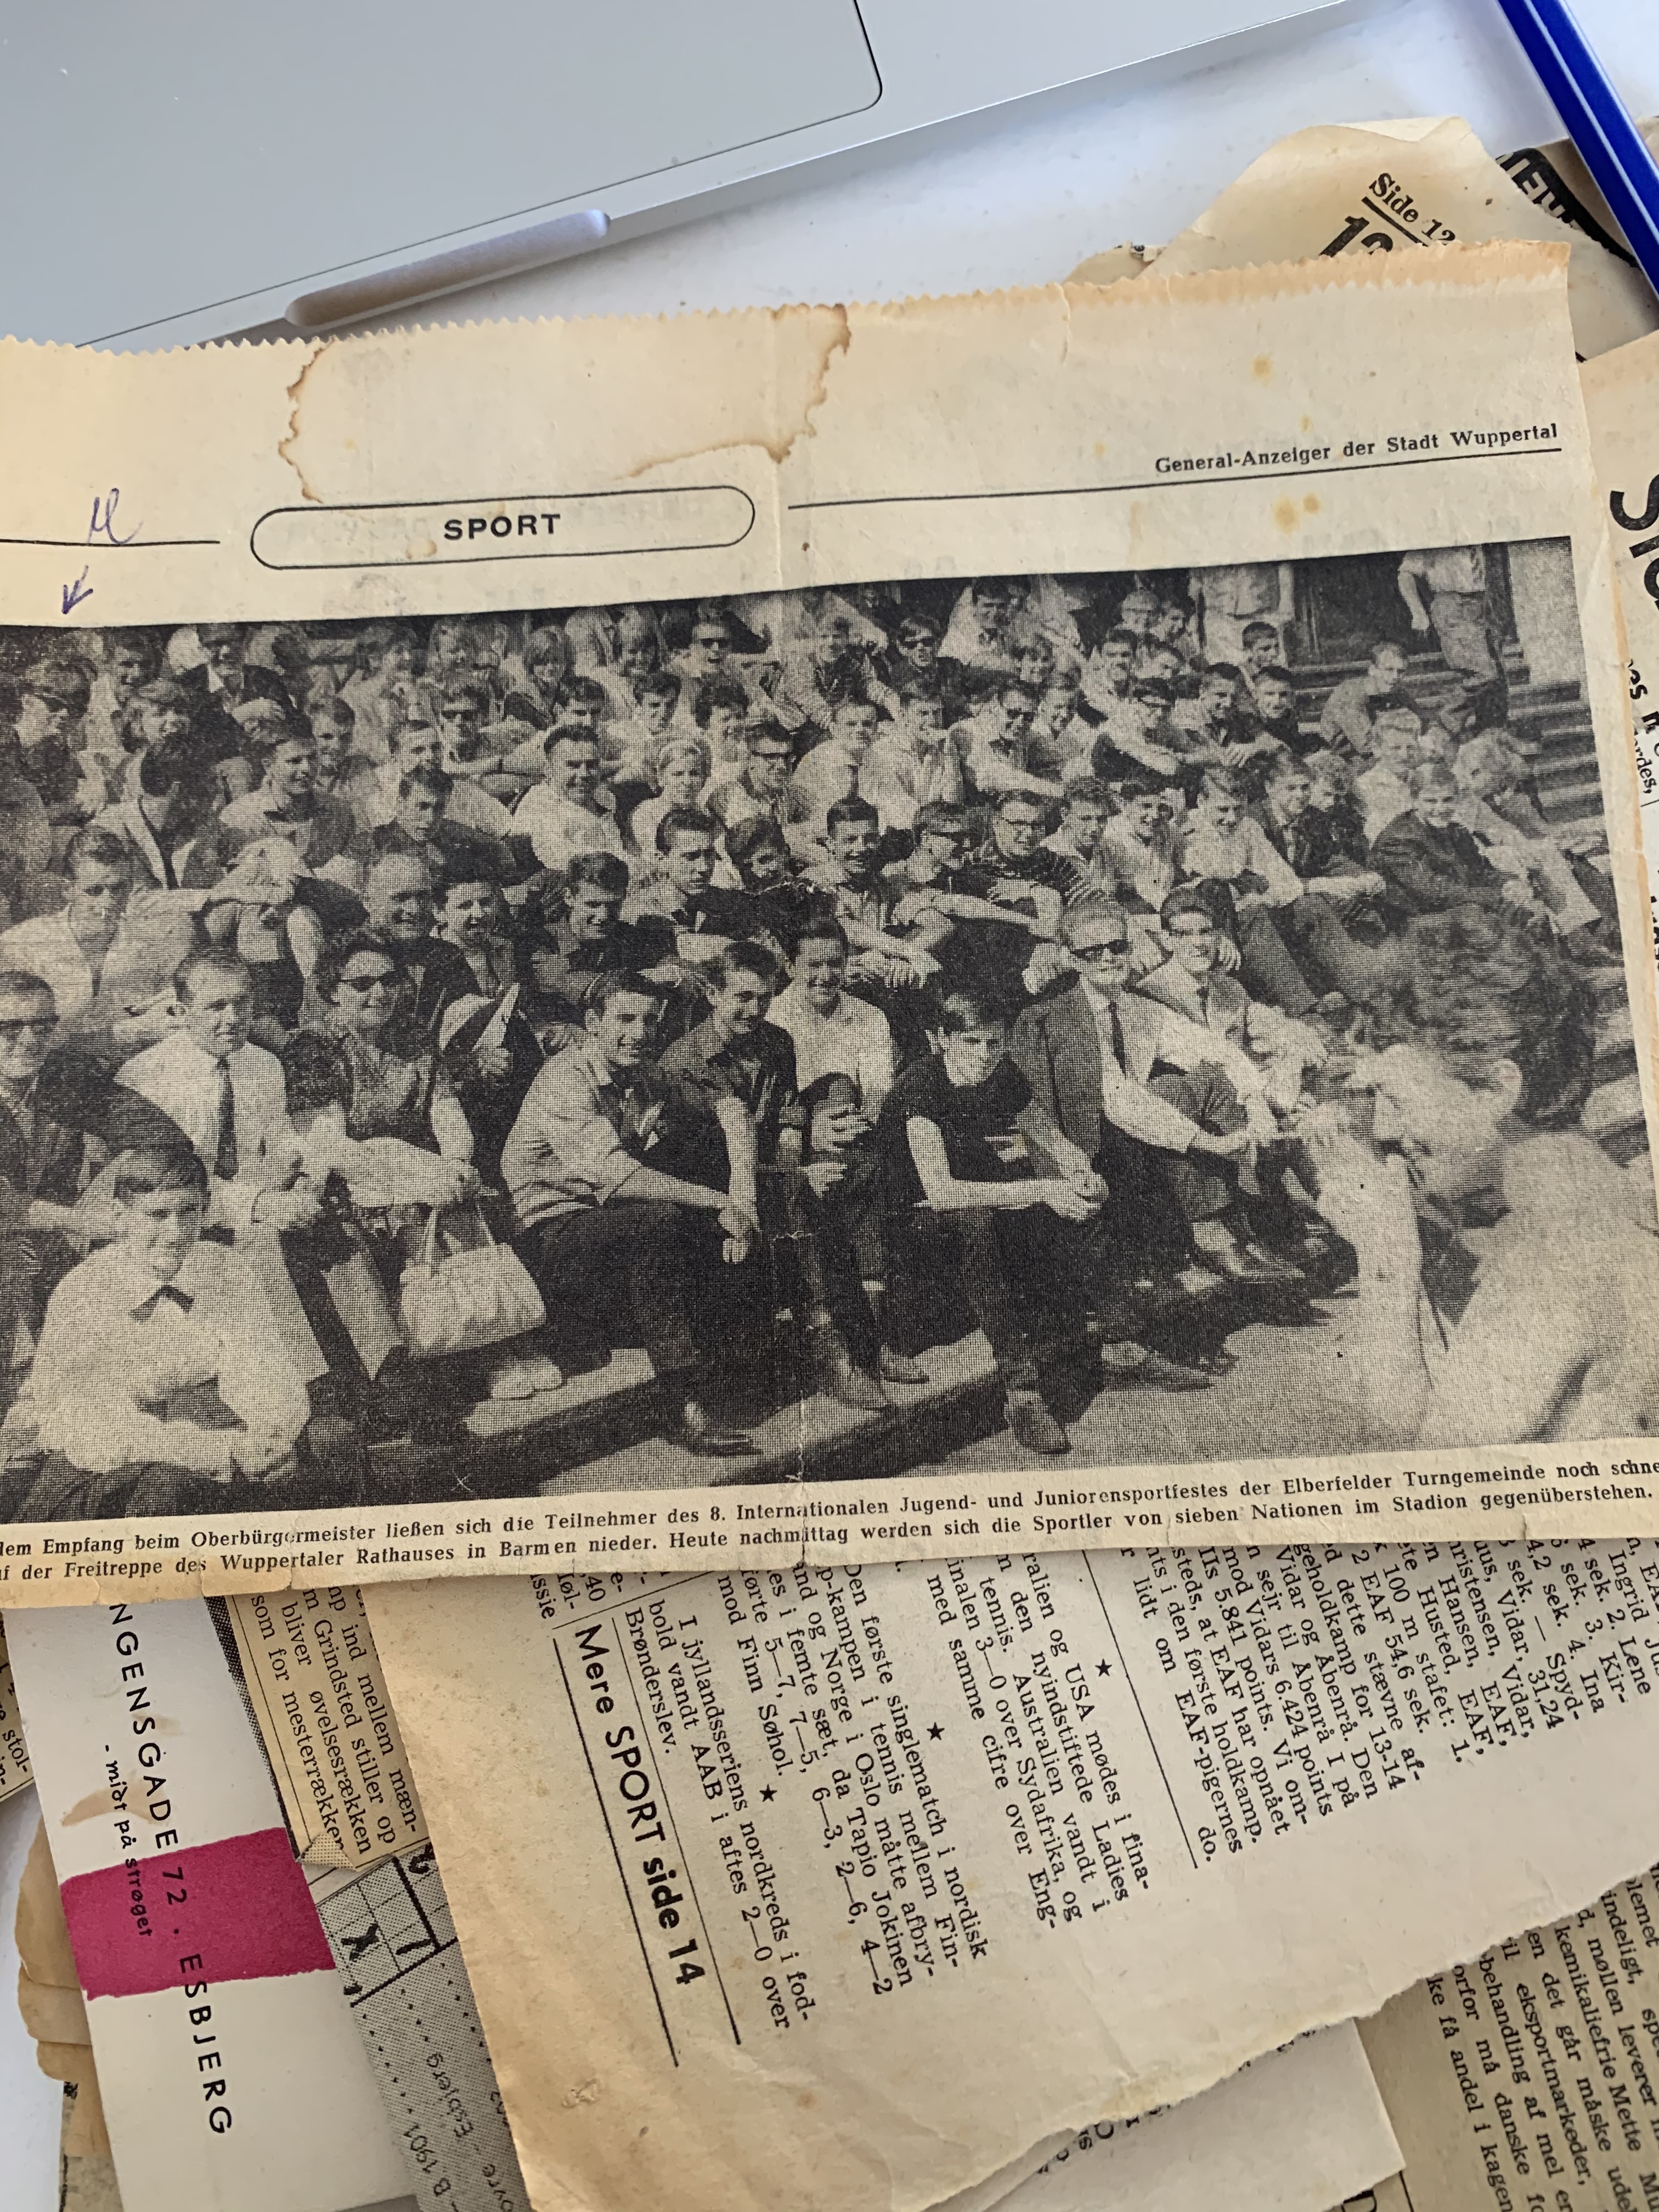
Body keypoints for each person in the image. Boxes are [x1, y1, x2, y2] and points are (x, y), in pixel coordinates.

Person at [1303, 904, 1658, 1446]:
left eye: (1395, 1098)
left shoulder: (1552, 1261)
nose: (1384, 1128)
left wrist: (1385, 1262)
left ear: (1496, 1090)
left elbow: (1432, 1480)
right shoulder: (1599, 1195)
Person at [503, 968, 760, 1455]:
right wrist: (719, 1202)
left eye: (650, 1021)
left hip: (607, 1224)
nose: (639, 1033)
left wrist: (742, 1199)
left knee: (709, 1162)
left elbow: (730, 1109)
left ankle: (737, 1355)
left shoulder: (642, 1073)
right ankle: (681, 1401)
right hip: (548, 1239)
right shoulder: (564, 1078)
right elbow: (619, 1177)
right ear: (593, 1022)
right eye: (624, 1019)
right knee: (660, 1219)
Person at [12, 1142, 315, 1520]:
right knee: (165, 1491)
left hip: (218, 1442)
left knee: (323, 1452)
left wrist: (271, 1438)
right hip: (106, 1454)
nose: (175, 1233)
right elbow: (90, 1426)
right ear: (121, 1216)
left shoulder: (226, 1268)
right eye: (157, 1215)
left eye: (189, 1212)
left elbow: (266, 1370)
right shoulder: (85, 1290)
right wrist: (219, 1451)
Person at [1013, 899, 1295, 1290]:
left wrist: (1255, 1101)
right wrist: (1209, 1143)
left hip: (1125, 1124)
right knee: (1169, 1097)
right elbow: (1118, 1100)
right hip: (1077, 1139)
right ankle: (1210, 1234)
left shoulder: (1134, 1006)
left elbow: (1212, 1048)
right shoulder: (1064, 1016)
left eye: (1117, 947)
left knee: (1210, 1077)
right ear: (1073, 959)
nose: (1109, 959)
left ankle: (1244, 1221)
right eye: (1093, 952)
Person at [881, 985, 1114, 1452]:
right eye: (971, 1042)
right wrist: (1043, 1190)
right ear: (941, 1039)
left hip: (973, 1193)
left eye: (994, 1042)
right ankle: (1022, 1392)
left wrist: (1082, 1173)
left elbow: (1048, 1135)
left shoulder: (1000, 1071)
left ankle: (1107, 1337)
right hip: (910, 1217)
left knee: (1068, 1202)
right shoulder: (920, 1089)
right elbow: (941, 1192)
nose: (984, 1055)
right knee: (981, 1223)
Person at [663, 940, 890, 1409]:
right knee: (799, 1200)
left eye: (764, 998)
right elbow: (724, 1145)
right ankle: (832, 1350)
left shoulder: (775, 1042)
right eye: (742, 997)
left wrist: (794, 1165)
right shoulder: (689, 1060)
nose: (754, 1010)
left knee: (857, 1167)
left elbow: (788, 1118)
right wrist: (794, 1178)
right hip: (714, 1178)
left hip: (765, 1166)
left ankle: (868, 1335)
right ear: (713, 994)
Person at [1369, 760, 1540, 924]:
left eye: (1448, 800)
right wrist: (1498, 896)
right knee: (1524, 920)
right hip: (1423, 921)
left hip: (1465, 908)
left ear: (1457, 799)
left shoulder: (1457, 831)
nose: (1440, 809)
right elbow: (1432, 890)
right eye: (1430, 801)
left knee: (1535, 907)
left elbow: (1479, 872)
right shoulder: (1397, 840)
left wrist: (1508, 883)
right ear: (1415, 800)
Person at [1397, 546, 1507, 727]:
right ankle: (1444, 724)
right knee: (1485, 674)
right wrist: (1418, 612)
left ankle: (1489, 734)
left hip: (1483, 604)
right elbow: (1406, 574)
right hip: (1454, 607)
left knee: (1498, 684)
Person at [512, 729, 625, 875]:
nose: (584, 774)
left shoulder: (603, 798)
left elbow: (618, 849)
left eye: (591, 765)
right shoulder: (536, 807)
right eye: (573, 765)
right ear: (549, 770)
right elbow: (563, 861)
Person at [859, 687, 964, 834]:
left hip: (936, 832)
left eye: (937, 713)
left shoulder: (944, 749)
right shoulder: (881, 752)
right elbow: (899, 810)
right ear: (904, 716)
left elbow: (953, 804)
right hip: (897, 836)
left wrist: (950, 757)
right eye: (923, 714)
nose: (932, 721)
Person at [1317, 640, 1414, 759]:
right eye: (1389, 670)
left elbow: (1424, 724)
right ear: (1373, 670)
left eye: (1401, 671)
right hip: (1345, 759)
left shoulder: (1396, 692)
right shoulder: (1351, 695)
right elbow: (1367, 746)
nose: (1395, 677)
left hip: (1384, 754)